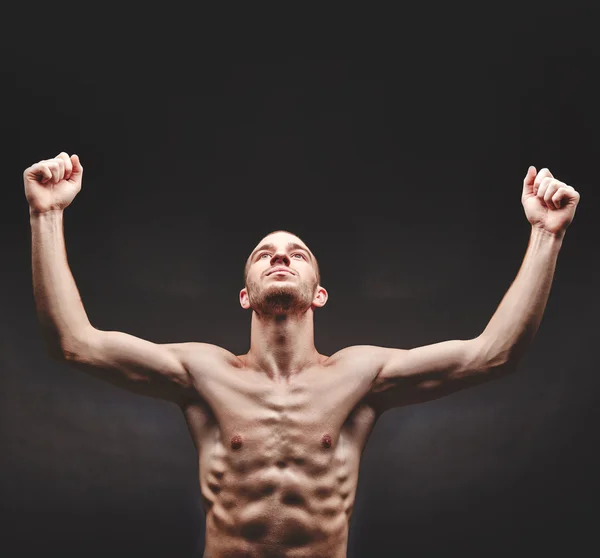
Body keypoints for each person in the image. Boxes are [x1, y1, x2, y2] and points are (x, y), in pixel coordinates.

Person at [24, 152, 580, 558]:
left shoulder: (362, 375)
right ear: (245, 294)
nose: (280, 257)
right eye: (264, 253)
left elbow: (493, 353)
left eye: (297, 253)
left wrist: (545, 234)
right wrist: (45, 214)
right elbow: (74, 342)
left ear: (319, 292)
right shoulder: (202, 373)